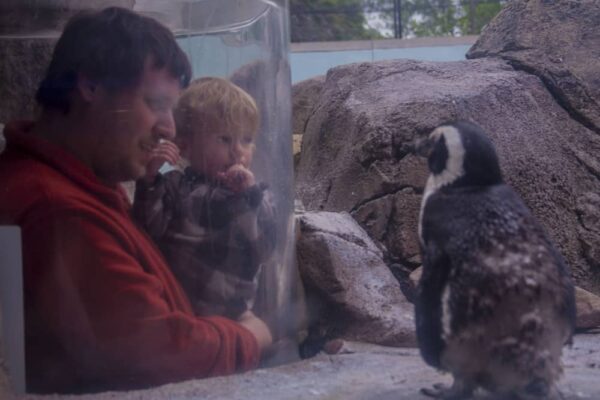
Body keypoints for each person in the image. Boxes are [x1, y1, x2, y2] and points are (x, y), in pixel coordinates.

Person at [0, 7, 271, 394]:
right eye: (156, 103)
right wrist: (250, 338)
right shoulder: (56, 208)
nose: (169, 128)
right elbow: (156, 351)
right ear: (90, 85)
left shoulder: (80, 184)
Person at [133, 77, 277, 320]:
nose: (238, 151)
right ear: (185, 146)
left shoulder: (258, 195)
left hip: (235, 313)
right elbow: (147, 233)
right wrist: (149, 178)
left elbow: (265, 251)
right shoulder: (174, 186)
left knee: (257, 331)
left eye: (247, 139)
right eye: (225, 139)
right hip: (177, 307)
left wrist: (246, 198)